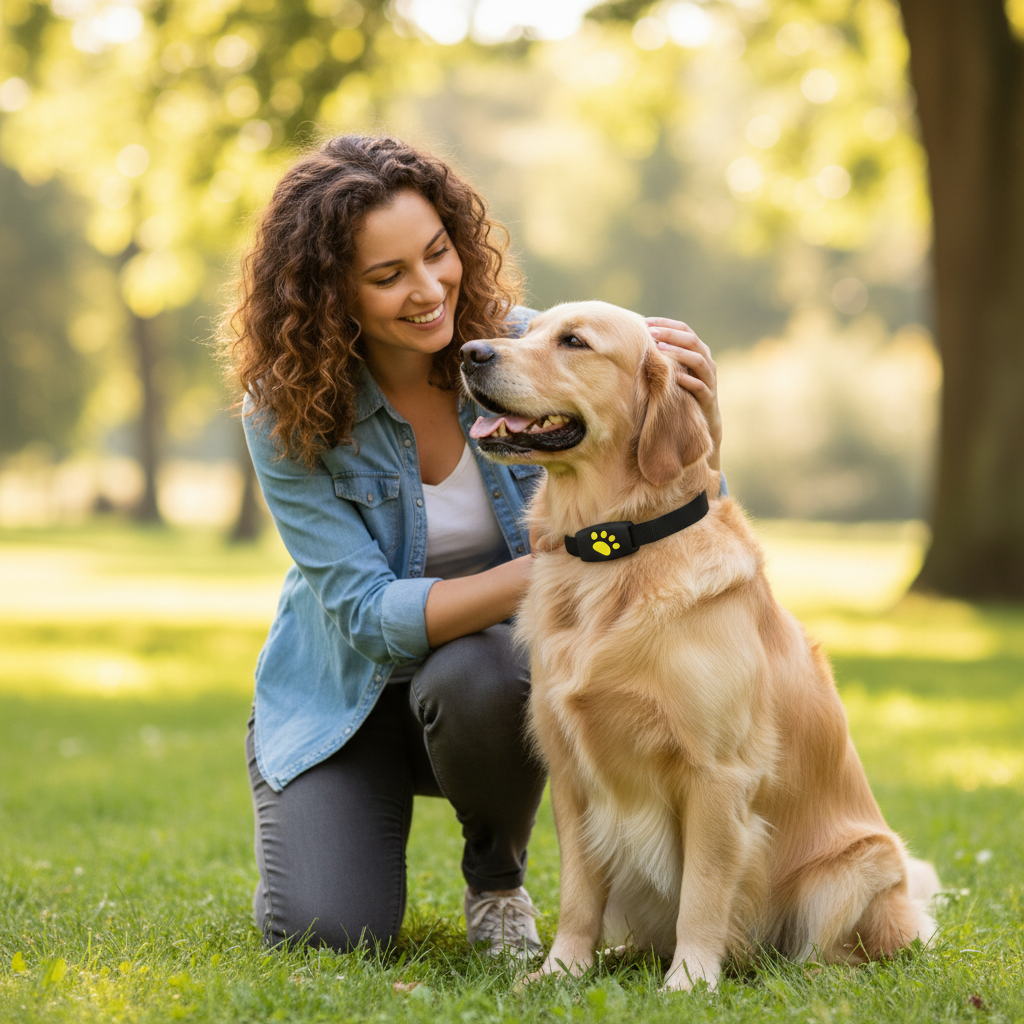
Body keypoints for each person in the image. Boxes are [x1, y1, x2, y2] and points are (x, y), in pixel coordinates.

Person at [225, 134, 723, 957]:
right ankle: (324, 828)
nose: (428, 292)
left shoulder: (537, 353)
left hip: (489, 692)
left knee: (487, 669)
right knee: (327, 931)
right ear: (329, 295)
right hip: (343, 702)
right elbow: (367, 613)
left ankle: (496, 882)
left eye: (437, 254)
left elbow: (678, 514)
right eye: (387, 277)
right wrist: (556, 562)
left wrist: (700, 420)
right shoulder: (282, 409)